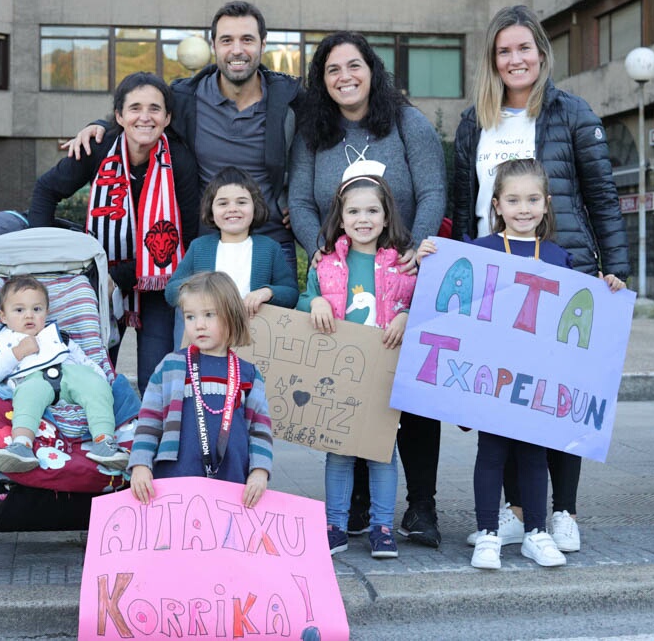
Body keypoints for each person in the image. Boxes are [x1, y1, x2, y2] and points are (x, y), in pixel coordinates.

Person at [453, 5, 631, 553]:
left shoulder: (572, 113)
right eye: (504, 50)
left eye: (523, 48)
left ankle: (564, 512)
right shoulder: (473, 121)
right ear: (493, 60)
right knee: (508, 397)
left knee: (561, 394)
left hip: (564, 269)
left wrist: (614, 268)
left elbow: (601, 196)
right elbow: (465, 208)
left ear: (541, 53)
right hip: (497, 279)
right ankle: (514, 512)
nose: (515, 59)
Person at [288, 31, 447, 548]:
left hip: (403, 272)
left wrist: (414, 248)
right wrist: (322, 253)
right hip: (342, 276)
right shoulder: (313, 132)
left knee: (410, 399)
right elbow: (301, 200)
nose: (345, 77)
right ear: (322, 81)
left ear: (371, 69)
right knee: (351, 395)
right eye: (332, 70)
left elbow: (432, 191)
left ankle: (420, 505)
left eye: (353, 65)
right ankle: (356, 505)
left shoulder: (409, 123)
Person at [64, 1, 303, 275]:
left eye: (247, 39)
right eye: (227, 40)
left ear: (263, 44)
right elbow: (143, 115)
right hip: (205, 246)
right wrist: (98, 126)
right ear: (214, 46)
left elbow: (321, 147)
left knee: (275, 316)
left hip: (271, 242)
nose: (237, 50)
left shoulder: (290, 101)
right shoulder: (185, 98)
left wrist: (292, 201)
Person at [29, 72, 201, 396]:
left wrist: (120, 275)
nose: (145, 117)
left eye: (155, 109)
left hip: (158, 280)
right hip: (99, 282)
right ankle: (99, 439)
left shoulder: (180, 161)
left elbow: (188, 238)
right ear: (119, 116)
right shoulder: (99, 147)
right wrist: (43, 261)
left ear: (167, 117)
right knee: (92, 372)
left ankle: (152, 444)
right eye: (135, 108)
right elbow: (45, 190)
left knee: (157, 380)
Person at [297, 173, 434, 559]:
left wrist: (407, 315)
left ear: (387, 217)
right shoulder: (325, 263)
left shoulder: (403, 265)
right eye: (353, 211)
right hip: (338, 372)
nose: (363, 218)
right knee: (338, 451)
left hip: (383, 371)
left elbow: (425, 302)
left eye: (372, 210)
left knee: (381, 451)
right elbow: (305, 301)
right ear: (340, 219)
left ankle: (382, 527)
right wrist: (316, 303)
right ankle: (335, 525)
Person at [129, 271, 272, 509]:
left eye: (209, 315)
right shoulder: (170, 365)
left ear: (232, 316)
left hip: (234, 481)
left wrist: (260, 471)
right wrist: (141, 465)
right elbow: (149, 421)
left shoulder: (248, 374)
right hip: (175, 478)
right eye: (190, 316)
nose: (200, 325)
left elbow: (260, 429)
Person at [0, 275, 128, 474]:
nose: (29, 315)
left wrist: (101, 379)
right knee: (27, 396)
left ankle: (104, 441)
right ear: (3, 317)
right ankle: (22, 444)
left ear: (46, 312)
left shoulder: (58, 336)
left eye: (37, 309)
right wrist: (17, 353)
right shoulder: (5, 342)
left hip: (72, 374)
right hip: (33, 379)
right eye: (19, 310)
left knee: (96, 387)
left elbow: (83, 359)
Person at [164, 166, 298, 321]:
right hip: (209, 333)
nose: (232, 209)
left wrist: (268, 292)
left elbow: (291, 293)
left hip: (253, 334)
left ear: (255, 208)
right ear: (211, 210)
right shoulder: (199, 247)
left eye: (241, 202)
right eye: (223, 203)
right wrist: (199, 288)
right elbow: (171, 292)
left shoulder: (269, 248)